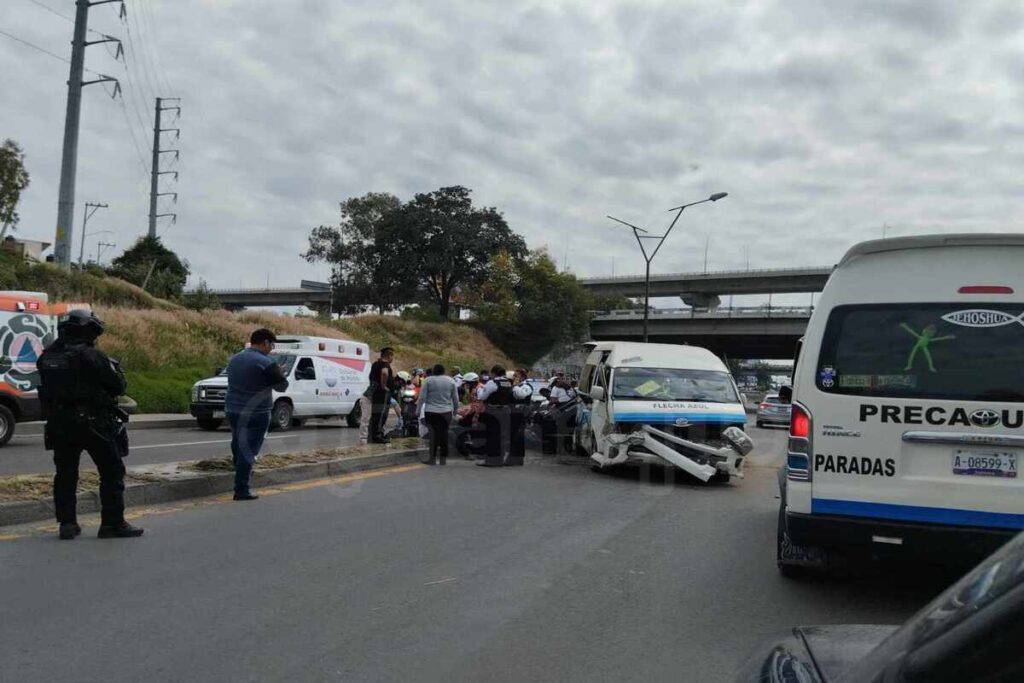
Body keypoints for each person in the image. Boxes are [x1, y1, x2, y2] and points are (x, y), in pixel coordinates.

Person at [37, 310, 142, 540]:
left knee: (65, 473)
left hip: (59, 422)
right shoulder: (91, 356)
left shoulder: (47, 356)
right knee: (112, 470)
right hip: (92, 422)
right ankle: (112, 524)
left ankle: (67, 523)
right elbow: (117, 386)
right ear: (88, 331)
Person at [225, 328, 289, 501]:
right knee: (249, 450)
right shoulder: (266, 362)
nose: (272, 349)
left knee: (237, 445)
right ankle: (242, 489)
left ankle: (242, 472)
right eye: (271, 345)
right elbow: (282, 386)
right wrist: (280, 373)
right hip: (256, 412)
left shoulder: (235, 359)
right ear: (265, 343)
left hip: (232, 409)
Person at [417, 363, 460, 465]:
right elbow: (455, 398)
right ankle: (443, 459)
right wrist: (455, 410)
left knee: (433, 435)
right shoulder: (451, 381)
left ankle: (432, 459)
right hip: (446, 412)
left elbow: (422, 397)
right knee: (444, 434)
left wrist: (418, 410)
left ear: (434, 371)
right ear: (443, 371)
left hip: (431, 412)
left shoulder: (428, 380)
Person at [477, 365, 514, 467]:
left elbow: (482, 396)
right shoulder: (508, 383)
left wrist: (480, 389)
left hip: (493, 411)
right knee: (502, 435)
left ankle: (491, 460)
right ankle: (500, 459)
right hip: (506, 411)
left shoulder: (492, 382)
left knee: (492, 435)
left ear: (493, 373)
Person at [362, 347, 395, 444]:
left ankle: (372, 435)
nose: (392, 359)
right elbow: (384, 373)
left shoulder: (375, 364)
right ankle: (377, 435)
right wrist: (384, 386)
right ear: (389, 356)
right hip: (382, 394)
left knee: (375, 414)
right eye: (392, 356)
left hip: (375, 393)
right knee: (381, 414)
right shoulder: (385, 365)